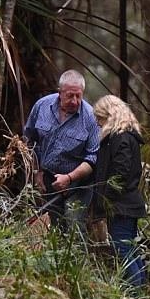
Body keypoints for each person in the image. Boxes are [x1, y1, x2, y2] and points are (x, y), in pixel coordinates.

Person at [23, 69, 99, 232]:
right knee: (54, 226)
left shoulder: (90, 117)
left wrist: (69, 178)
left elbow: (92, 157)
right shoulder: (42, 106)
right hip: (49, 179)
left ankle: (78, 257)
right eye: (70, 95)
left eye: (79, 96)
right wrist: (37, 172)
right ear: (60, 93)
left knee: (73, 223)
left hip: (79, 184)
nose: (74, 100)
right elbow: (29, 140)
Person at [92, 95, 147, 287]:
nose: (98, 124)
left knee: (123, 249)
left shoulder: (120, 138)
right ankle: (141, 292)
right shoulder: (126, 137)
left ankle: (136, 292)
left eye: (100, 118)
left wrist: (106, 198)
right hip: (126, 204)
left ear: (109, 116)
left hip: (122, 206)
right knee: (130, 249)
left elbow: (120, 173)